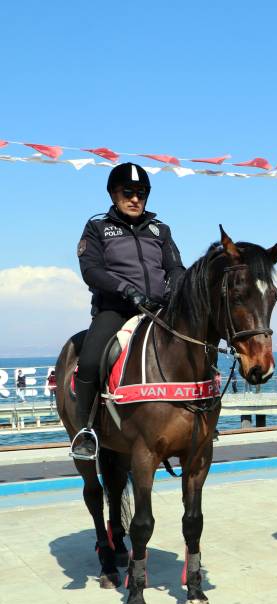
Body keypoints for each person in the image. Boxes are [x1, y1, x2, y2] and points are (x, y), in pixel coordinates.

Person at [70, 162, 185, 460]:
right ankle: (86, 431)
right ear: (113, 193)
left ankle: (199, 417)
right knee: (92, 361)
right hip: (116, 310)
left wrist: (174, 288)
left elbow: (175, 267)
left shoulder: (161, 229)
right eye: (128, 192)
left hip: (159, 311)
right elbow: (91, 270)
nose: (135, 198)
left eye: (141, 193)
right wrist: (126, 290)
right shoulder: (97, 228)